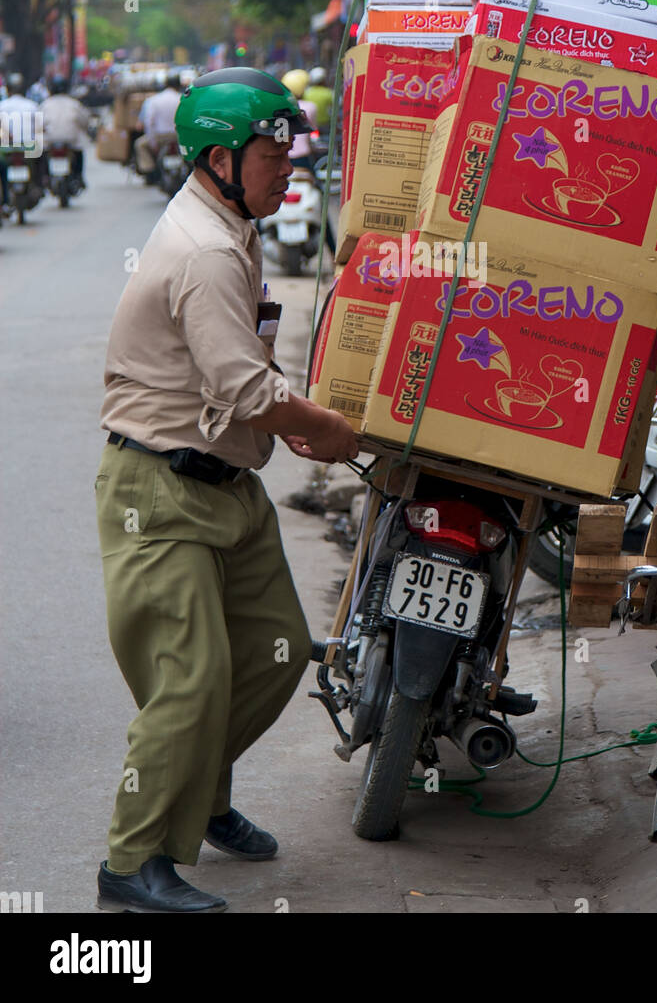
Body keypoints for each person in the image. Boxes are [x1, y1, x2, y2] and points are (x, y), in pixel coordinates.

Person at [94, 67, 358, 914]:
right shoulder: (208, 250)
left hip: (227, 484)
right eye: (271, 155)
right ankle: (130, 862)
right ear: (218, 159)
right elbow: (249, 391)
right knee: (192, 680)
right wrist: (330, 429)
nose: (288, 169)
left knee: (278, 648)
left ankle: (199, 796)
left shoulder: (231, 225)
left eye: (290, 153)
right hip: (161, 490)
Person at [280, 68, 336, 255]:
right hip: (304, 162)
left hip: (282, 158)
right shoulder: (309, 107)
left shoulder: (278, 107)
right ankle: (333, 250)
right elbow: (311, 132)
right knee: (321, 202)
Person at [40, 77, 90, 186]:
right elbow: (84, 120)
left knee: (42, 154)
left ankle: (45, 177)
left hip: (50, 139)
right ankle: (78, 176)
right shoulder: (74, 104)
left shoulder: (46, 104)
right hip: (71, 139)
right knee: (79, 152)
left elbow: (39, 123)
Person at [0, 73, 41, 205]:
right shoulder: (32, 105)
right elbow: (40, 127)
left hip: (7, 148)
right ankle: (38, 185)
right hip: (29, 147)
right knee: (38, 161)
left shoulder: (2, 105)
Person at [133, 74, 183, 178]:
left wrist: (153, 142)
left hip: (160, 137)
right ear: (179, 85)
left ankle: (150, 171)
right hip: (179, 137)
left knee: (139, 144)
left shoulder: (154, 100)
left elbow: (149, 122)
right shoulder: (182, 99)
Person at [304, 67, 334, 133]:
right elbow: (337, 106)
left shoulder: (307, 92)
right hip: (325, 125)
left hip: (310, 125)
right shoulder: (328, 93)